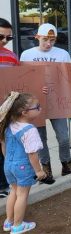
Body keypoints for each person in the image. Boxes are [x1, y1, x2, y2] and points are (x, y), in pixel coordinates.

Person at [20, 23, 71, 181]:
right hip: (35, 102)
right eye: (45, 39)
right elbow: (23, 80)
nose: (48, 44)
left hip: (57, 101)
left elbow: (69, 79)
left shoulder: (63, 53)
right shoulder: (26, 54)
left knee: (63, 137)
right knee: (40, 138)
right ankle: (46, 167)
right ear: (37, 37)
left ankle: (66, 163)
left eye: (52, 40)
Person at [1, 92, 47, 234]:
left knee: (13, 191)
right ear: (24, 112)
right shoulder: (29, 130)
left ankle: (8, 221)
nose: (40, 109)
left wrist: (9, 160)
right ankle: (18, 226)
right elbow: (32, 153)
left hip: (8, 164)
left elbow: (3, 146)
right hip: (22, 166)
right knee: (22, 195)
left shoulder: (9, 125)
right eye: (37, 107)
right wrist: (39, 171)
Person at [0, 18, 19, 198]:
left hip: (7, 110)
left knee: (6, 145)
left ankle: (4, 183)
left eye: (8, 38)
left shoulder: (12, 57)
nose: (5, 41)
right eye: (1, 36)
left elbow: (21, 81)